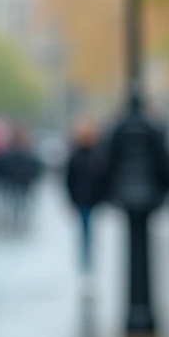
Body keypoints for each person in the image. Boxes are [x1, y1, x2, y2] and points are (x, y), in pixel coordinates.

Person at [64, 119, 99, 286]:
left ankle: (87, 266)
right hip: (83, 200)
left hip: (90, 199)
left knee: (87, 232)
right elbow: (69, 180)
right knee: (86, 232)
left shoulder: (94, 155)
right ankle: (86, 266)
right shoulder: (80, 156)